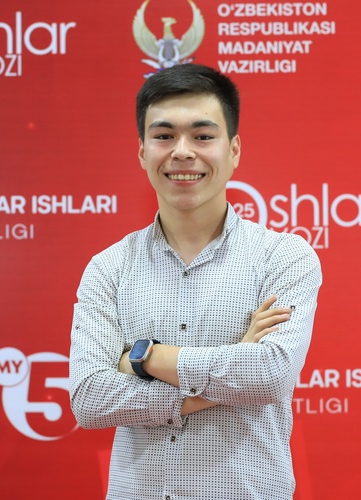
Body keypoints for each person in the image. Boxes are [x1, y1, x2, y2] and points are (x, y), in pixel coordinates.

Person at [69, 63, 322, 499]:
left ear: (234, 150)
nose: (182, 152)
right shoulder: (108, 267)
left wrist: (145, 358)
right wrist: (230, 366)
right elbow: (90, 398)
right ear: (142, 152)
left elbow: (270, 376)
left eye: (203, 136)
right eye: (164, 136)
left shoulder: (283, 256)